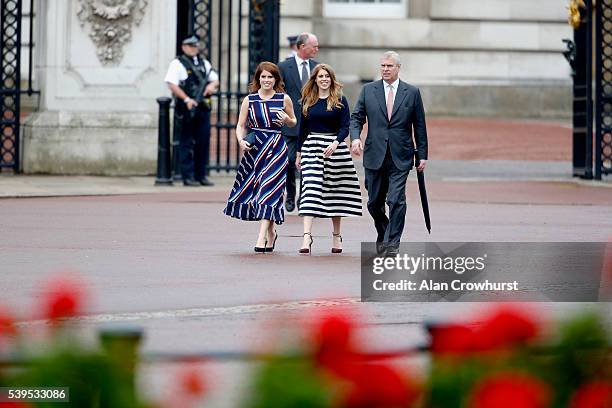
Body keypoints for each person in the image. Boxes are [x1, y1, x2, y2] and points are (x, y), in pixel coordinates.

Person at [349, 51, 428, 255]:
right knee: (374, 202)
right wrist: (356, 137)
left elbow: (419, 125)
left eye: (389, 66)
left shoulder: (411, 92)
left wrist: (423, 155)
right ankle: (383, 231)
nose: (385, 69)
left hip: (400, 155)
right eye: (382, 66)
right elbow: (356, 117)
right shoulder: (368, 90)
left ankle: (392, 244)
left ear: (398, 68)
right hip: (374, 155)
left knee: (396, 200)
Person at [223, 62, 297, 252]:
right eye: (263, 77)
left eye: (270, 77)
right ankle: (271, 233)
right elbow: (240, 125)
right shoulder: (250, 100)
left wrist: (287, 120)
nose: (266, 80)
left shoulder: (284, 99)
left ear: (276, 80)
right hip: (255, 149)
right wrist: (240, 140)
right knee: (260, 191)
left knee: (268, 188)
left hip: (276, 148)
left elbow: (293, 121)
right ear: (258, 79)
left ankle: (261, 237)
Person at [296, 64, 362, 255]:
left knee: (335, 193)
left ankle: (336, 235)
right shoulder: (308, 100)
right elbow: (303, 130)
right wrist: (299, 153)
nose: (323, 79)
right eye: (320, 76)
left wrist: (335, 143)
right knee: (310, 189)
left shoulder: (340, 100)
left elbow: (345, 126)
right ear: (315, 79)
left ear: (331, 79)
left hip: (334, 149)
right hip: (312, 148)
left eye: (327, 76)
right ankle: (306, 236)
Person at [164, 34, 219, 186]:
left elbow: (215, 79)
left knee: (203, 141)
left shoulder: (203, 63)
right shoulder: (177, 63)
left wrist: (211, 86)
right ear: (184, 47)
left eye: (195, 46)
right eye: (190, 46)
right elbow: (171, 84)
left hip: (202, 106)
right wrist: (186, 99)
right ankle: (188, 176)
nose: (193, 48)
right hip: (186, 107)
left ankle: (201, 175)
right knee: (186, 142)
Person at [278, 32, 320, 212]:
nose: (317, 49)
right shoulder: (284, 66)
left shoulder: (318, 68)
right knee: (289, 161)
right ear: (302, 47)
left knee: (309, 163)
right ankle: (291, 193)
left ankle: (304, 197)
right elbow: (279, 93)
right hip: (290, 123)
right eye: (314, 46)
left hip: (311, 124)